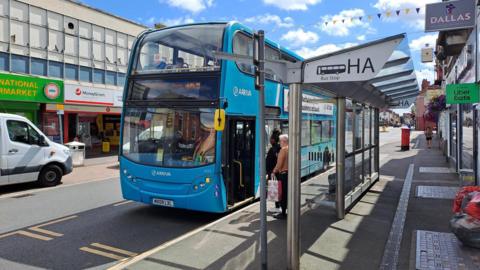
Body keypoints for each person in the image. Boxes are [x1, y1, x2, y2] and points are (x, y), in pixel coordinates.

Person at [272, 134, 289, 219]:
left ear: (284, 141)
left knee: (282, 194)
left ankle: (283, 213)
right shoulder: (290, 149)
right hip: (289, 174)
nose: (279, 143)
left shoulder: (283, 150)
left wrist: (274, 171)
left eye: (280, 141)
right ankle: (286, 211)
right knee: (287, 193)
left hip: (283, 174)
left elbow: (279, 164)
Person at [266, 130, 281, 212]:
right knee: (277, 189)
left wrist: (270, 172)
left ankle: (278, 207)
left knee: (276, 189)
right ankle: (278, 207)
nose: (270, 140)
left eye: (270, 138)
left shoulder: (273, 149)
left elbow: (269, 162)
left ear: (273, 140)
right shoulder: (279, 148)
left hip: (274, 172)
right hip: (276, 172)